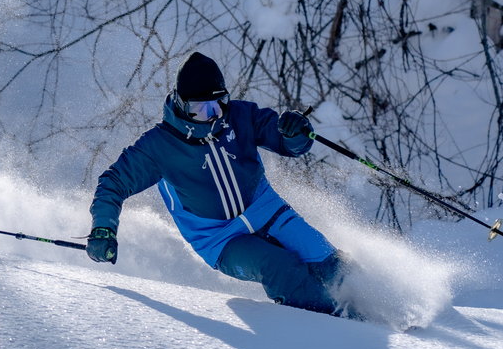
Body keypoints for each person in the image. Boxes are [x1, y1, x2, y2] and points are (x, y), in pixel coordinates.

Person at [85, 51, 348, 316]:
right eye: (200, 109)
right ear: (181, 104)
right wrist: (103, 228)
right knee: (279, 266)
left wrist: (295, 132)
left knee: (330, 263)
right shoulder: (158, 147)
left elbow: (287, 141)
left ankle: (372, 312)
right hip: (221, 238)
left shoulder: (240, 116)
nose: (212, 116)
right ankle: (335, 326)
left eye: (218, 104)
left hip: (267, 210)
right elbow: (114, 182)